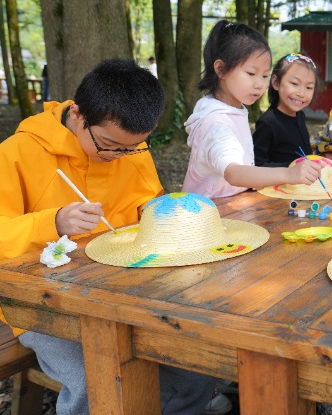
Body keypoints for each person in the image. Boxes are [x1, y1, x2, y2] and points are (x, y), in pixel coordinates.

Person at [0, 58, 217, 415]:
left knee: (193, 358)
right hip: (40, 301)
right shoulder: (19, 153)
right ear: (78, 113)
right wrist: (50, 222)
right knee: (94, 375)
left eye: (131, 148)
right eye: (108, 145)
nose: (119, 157)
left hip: (123, 285)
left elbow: (146, 202)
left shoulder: (130, 147)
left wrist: (162, 214)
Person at [183, 20, 321, 199]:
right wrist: (289, 174)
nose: (259, 84)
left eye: (264, 75)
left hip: (232, 205)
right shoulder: (216, 123)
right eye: (251, 73)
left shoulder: (232, 107)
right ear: (221, 69)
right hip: (207, 213)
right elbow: (234, 173)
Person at [253, 53, 320, 167]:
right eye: (294, 84)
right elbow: (256, 165)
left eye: (309, 87)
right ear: (276, 83)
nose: (301, 93)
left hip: (302, 183)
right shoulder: (267, 123)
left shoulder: (300, 116)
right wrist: (291, 168)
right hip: (278, 184)